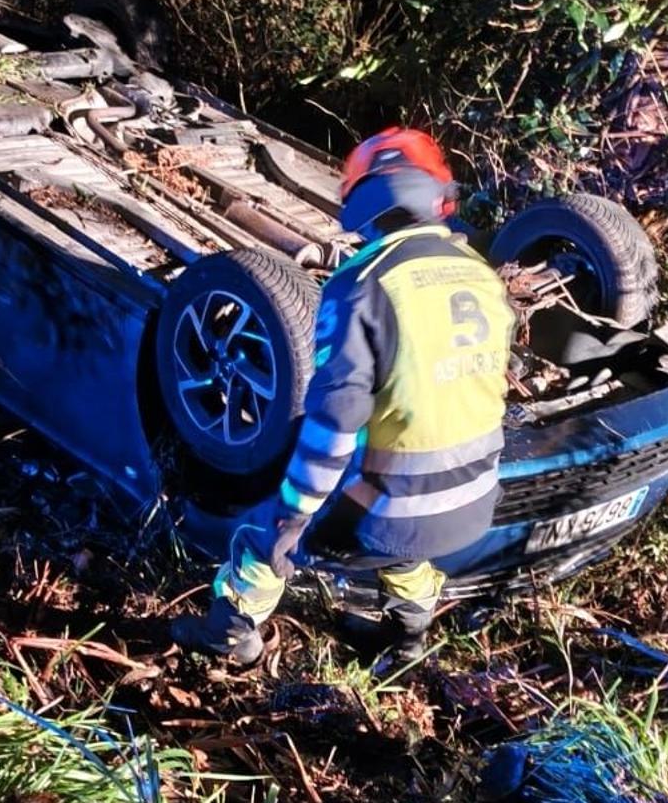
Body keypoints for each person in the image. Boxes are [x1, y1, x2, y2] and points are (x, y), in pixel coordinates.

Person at [171, 127, 515, 665]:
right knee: (402, 539)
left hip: (394, 514)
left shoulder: (363, 285)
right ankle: (408, 638)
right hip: (476, 502)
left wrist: (292, 516)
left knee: (260, 533)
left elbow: (335, 420)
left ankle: (230, 634)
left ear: (368, 198)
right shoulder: (480, 274)